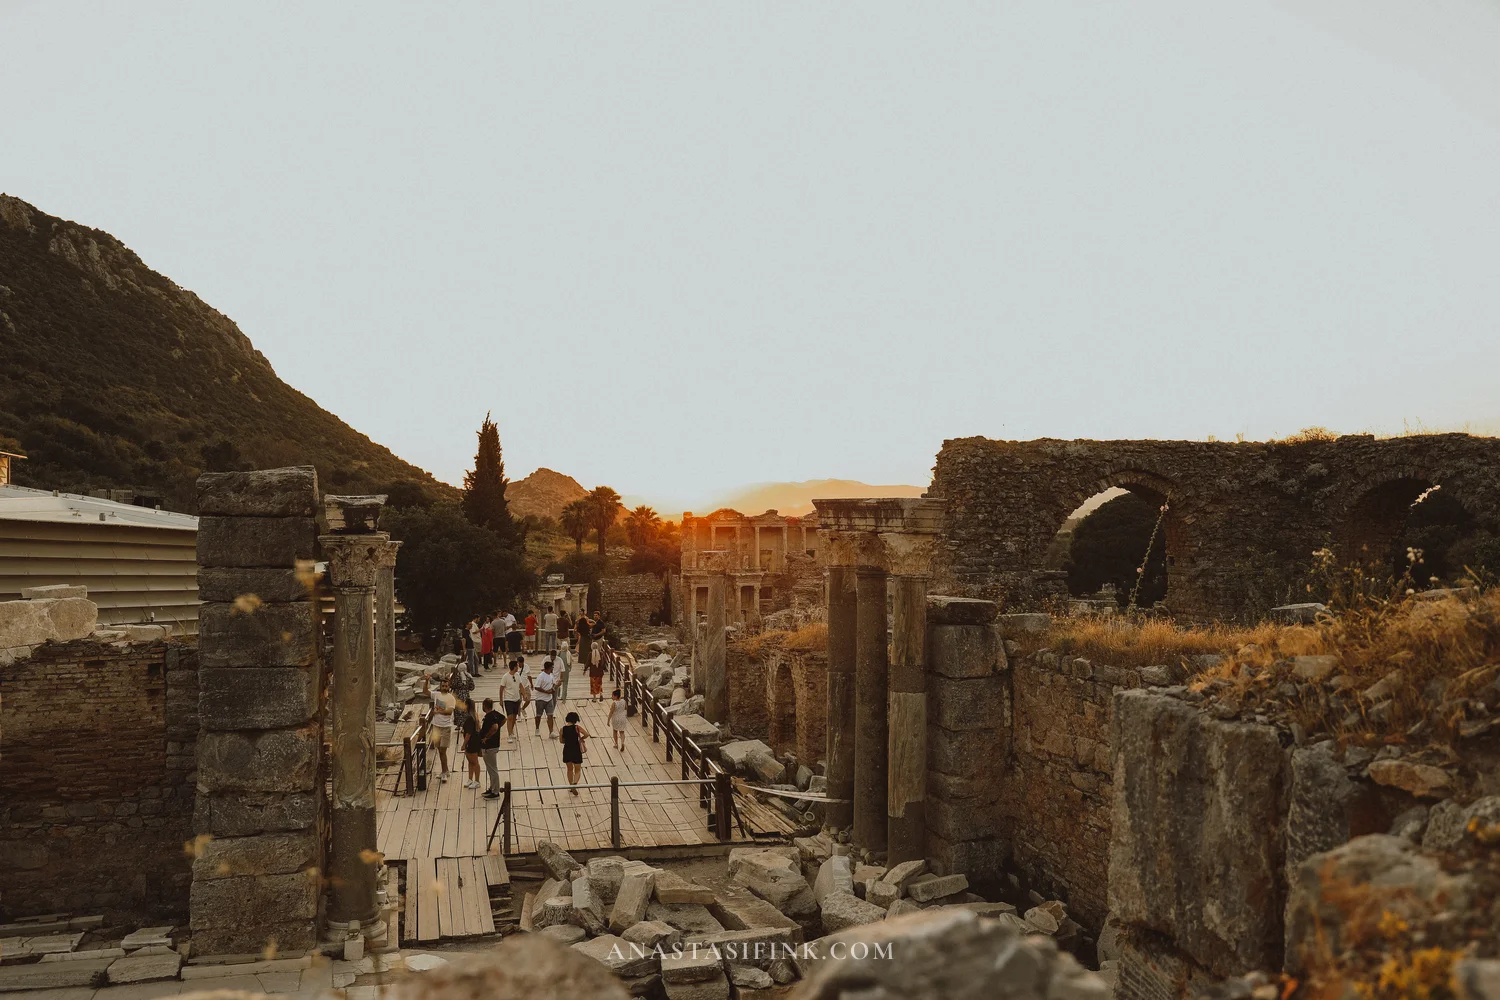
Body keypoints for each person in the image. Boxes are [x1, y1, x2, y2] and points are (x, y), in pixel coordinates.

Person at [429, 677, 455, 781]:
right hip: (436, 725)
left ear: (449, 687)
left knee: (443, 750)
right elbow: (425, 691)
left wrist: (437, 711)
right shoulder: (436, 695)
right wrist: (427, 680)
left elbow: (449, 712)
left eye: (446, 686)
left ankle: (444, 772)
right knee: (439, 750)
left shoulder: (451, 698)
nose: (444, 687)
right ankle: (446, 770)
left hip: (445, 727)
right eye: (443, 686)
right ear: (440, 686)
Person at [480, 698, 504, 797]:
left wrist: (486, 737)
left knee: (492, 769)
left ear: (485, 705)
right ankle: (492, 787)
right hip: (493, 745)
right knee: (490, 769)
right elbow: (504, 719)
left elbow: (495, 727)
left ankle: (495, 791)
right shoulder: (496, 714)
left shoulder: (490, 717)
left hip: (489, 746)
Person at [560, 711, 589, 794]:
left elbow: (561, 741)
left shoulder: (562, 729)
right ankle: (574, 783)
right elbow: (587, 734)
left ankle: (570, 786)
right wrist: (581, 738)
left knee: (569, 769)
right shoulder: (577, 728)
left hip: (567, 750)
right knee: (577, 770)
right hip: (576, 750)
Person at [532, 659, 559, 739]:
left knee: (550, 715)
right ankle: (537, 728)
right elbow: (536, 687)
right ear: (549, 668)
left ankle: (551, 732)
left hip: (549, 699)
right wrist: (546, 691)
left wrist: (555, 687)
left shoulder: (551, 675)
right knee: (538, 715)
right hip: (540, 699)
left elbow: (554, 684)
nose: (553, 669)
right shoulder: (541, 676)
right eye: (552, 668)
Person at [500, 659, 525, 741]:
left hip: (516, 699)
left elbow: (521, 686)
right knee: (509, 717)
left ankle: (512, 730)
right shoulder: (505, 676)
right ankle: (509, 734)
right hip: (508, 699)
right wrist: (501, 700)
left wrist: (524, 694)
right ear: (514, 667)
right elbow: (501, 688)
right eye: (517, 666)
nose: (518, 667)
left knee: (514, 717)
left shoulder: (517, 675)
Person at [461, 696, 483, 789]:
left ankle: (477, 780)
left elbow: (468, 733)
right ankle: (470, 779)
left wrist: (464, 744)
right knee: (470, 761)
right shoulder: (474, 715)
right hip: (474, 740)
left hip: (471, 741)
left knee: (474, 761)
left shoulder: (470, 718)